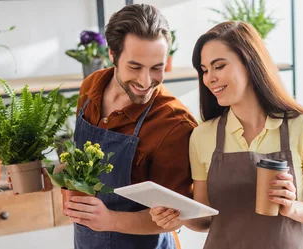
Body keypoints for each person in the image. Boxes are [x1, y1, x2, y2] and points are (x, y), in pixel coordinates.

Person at [149, 21, 303, 249]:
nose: (209, 78)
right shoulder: (202, 136)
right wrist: (178, 216)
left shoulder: (302, 128)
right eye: (205, 70)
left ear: (249, 63)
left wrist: (293, 207)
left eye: (219, 66)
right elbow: (206, 219)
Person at [50, 4, 195, 249]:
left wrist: (111, 220)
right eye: (135, 67)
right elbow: (79, 162)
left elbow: (174, 217)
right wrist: (46, 175)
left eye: (157, 68)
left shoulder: (173, 124)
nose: (146, 81)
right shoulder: (92, 86)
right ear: (113, 54)